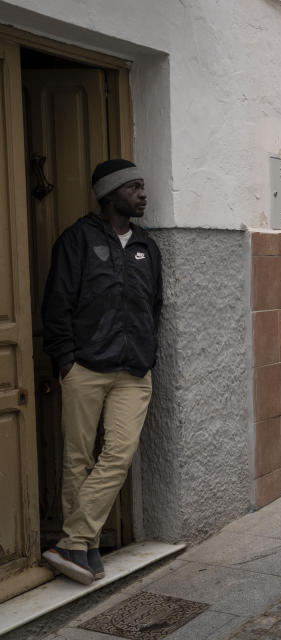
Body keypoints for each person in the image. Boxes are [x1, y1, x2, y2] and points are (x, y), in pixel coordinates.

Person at [40, 159, 162, 585]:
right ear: (110, 196)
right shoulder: (76, 240)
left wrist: (148, 352)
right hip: (85, 366)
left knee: (119, 454)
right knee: (78, 459)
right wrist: (66, 360)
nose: (143, 194)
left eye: (142, 186)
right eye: (134, 187)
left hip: (133, 369)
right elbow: (57, 304)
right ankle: (86, 548)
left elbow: (153, 306)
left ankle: (71, 540)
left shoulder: (147, 245)